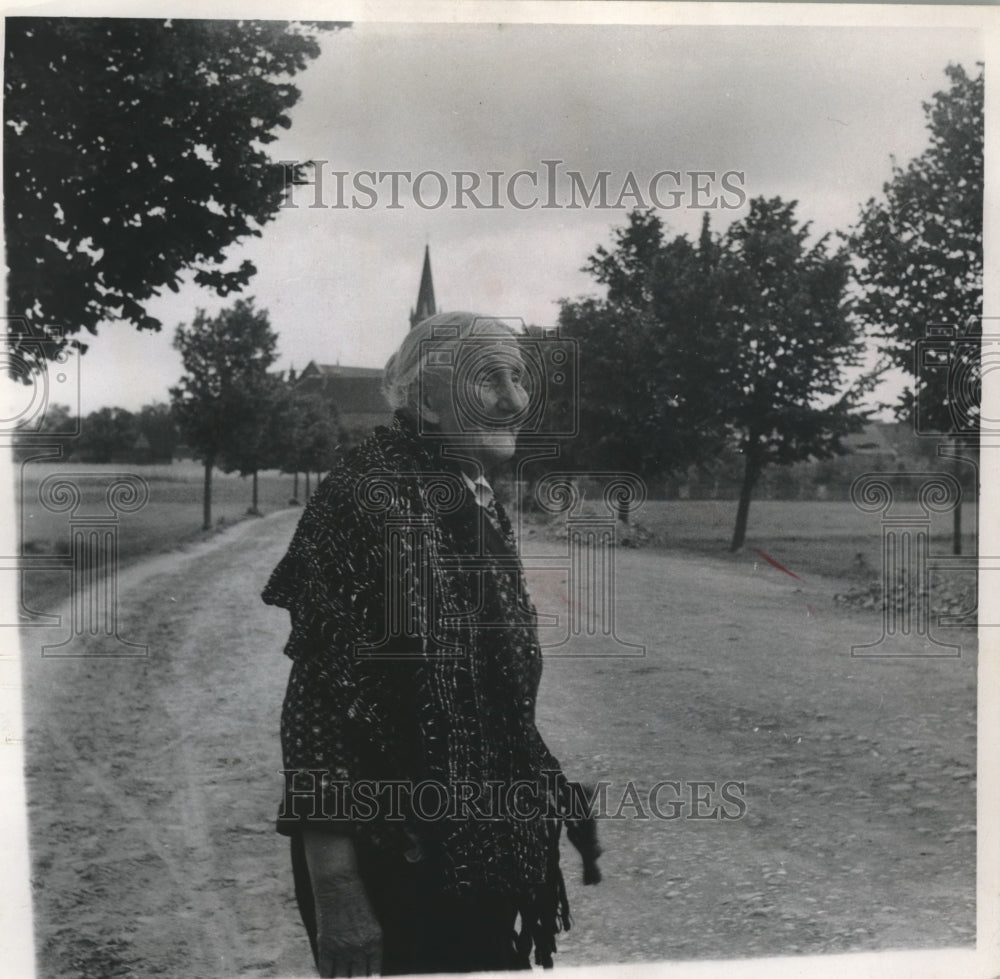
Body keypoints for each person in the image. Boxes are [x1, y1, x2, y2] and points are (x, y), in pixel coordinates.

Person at [262, 311, 600, 977]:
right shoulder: (368, 495)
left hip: (471, 848)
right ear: (425, 400)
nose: (514, 398)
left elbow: (487, 695)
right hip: (399, 860)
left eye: (517, 377)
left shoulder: (468, 493)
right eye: (488, 379)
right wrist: (337, 891)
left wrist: (547, 784)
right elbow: (317, 708)